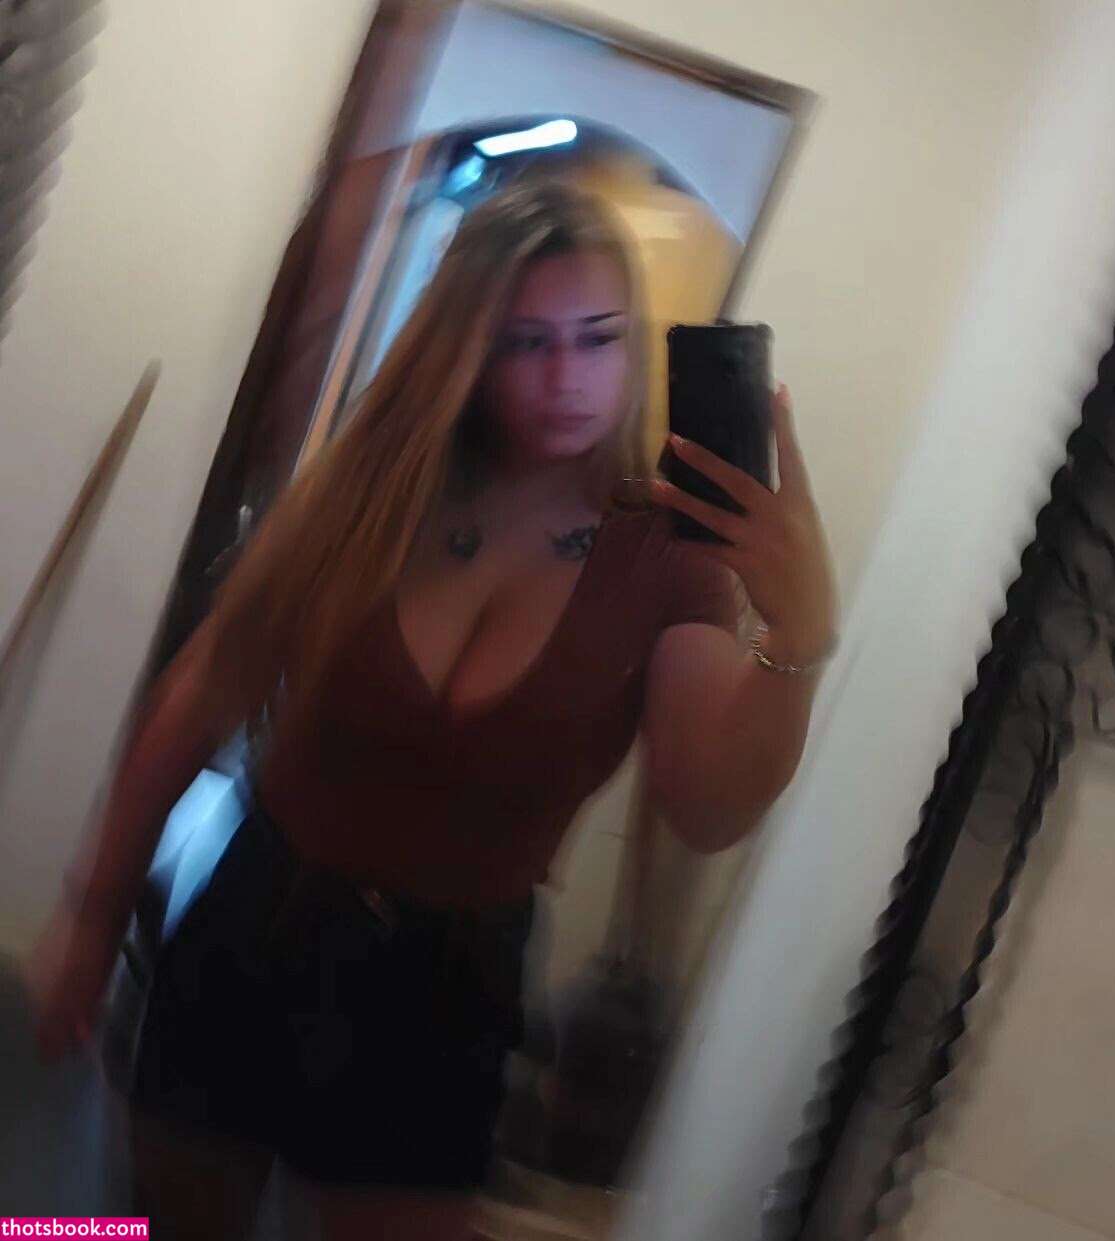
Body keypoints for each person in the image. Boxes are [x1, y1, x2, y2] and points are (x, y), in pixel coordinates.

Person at [24, 180, 837, 1240]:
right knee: (159, 1224)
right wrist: (92, 913)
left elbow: (707, 807)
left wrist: (798, 639)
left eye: (597, 337)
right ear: (468, 349)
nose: (566, 377)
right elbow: (205, 690)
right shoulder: (370, 495)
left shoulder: (668, 559)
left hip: (447, 989)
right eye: (525, 342)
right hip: (253, 925)